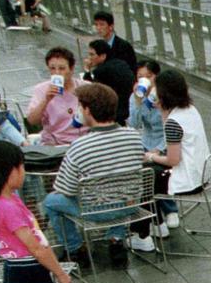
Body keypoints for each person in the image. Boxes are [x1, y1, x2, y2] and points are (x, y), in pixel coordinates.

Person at [42, 83, 142, 270]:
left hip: (96, 211)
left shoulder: (79, 146)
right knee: (119, 188)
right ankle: (116, 239)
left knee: (50, 201)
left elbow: (66, 189)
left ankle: (75, 248)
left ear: (87, 110)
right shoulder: (134, 136)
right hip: (130, 205)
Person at [130, 70, 208, 250]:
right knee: (151, 174)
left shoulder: (174, 121)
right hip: (200, 174)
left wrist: (151, 156)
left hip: (188, 181)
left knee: (146, 178)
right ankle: (156, 225)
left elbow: (173, 159)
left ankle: (142, 234)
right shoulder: (190, 110)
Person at [0, 140, 71, 283]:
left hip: (24, 268)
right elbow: (36, 249)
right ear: (9, 171)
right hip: (27, 270)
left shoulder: (2, 198)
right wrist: (60, 274)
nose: (24, 172)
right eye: (21, 167)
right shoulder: (7, 207)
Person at [26, 47, 85, 145]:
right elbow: (32, 120)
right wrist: (46, 100)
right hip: (55, 142)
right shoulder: (41, 89)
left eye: (62, 68)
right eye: (52, 68)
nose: (57, 73)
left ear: (71, 68)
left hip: (82, 141)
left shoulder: (85, 87)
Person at [83, 40, 134, 126]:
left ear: (103, 56)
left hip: (113, 113)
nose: (89, 58)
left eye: (92, 54)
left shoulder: (101, 71)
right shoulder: (122, 63)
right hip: (128, 108)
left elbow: (92, 91)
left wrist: (87, 71)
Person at [128, 60, 164, 152]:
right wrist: (138, 102)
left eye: (149, 76)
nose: (144, 80)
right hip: (146, 143)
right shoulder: (134, 96)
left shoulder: (165, 95)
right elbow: (134, 125)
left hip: (165, 143)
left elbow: (172, 129)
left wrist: (158, 149)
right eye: (140, 77)